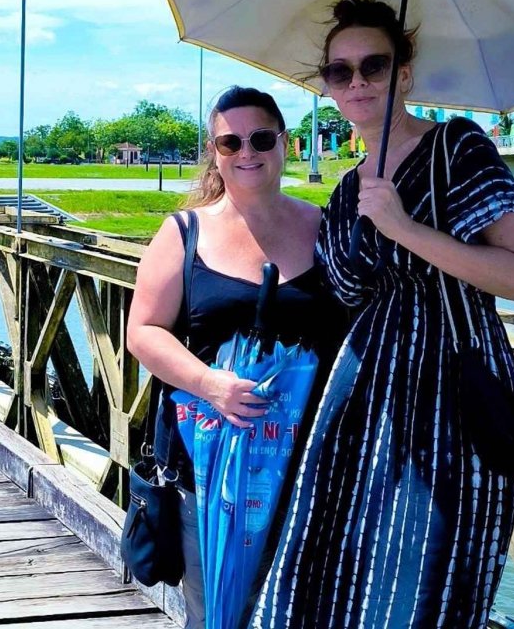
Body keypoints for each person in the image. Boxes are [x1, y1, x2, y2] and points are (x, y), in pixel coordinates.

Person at [249, 0, 514, 629]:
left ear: (404, 74)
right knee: (327, 575)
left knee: (433, 586)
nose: (356, 82)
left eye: (374, 66)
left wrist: (404, 228)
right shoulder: (348, 186)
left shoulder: (456, 149)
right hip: (364, 405)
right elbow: (348, 293)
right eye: (340, 71)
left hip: (456, 402)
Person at [127, 86, 349, 629]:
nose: (246, 151)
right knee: (219, 615)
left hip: (307, 474)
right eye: (231, 141)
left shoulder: (326, 229)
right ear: (215, 151)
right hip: (208, 475)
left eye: (261, 138)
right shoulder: (184, 232)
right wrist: (211, 384)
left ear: (286, 145)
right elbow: (143, 332)